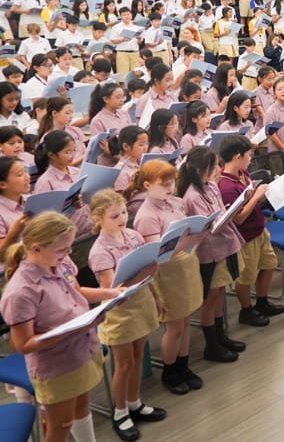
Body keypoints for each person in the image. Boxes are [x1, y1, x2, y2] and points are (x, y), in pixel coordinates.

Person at [1, 212, 123, 442]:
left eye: (69, 248)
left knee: (81, 408)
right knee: (61, 426)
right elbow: (24, 345)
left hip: (82, 350)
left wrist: (110, 294)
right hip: (56, 366)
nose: (68, 254)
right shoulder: (21, 291)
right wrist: (77, 327)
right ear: (36, 249)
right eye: (62, 249)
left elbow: (75, 290)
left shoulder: (60, 261)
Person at [87, 190, 167, 440]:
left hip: (141, 303)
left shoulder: (133, 235)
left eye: (123, 212)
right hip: (120, 313)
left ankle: (135, 403)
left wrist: (156, 296)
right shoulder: (99, 251)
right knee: (123, 365)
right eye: (114, 215)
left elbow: (148, 272)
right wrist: (144, 274)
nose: (122, 218)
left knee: (136, 356)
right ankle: (120, 412)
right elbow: (114, 291)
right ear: (99, 218)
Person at [128, 160, 204, 395]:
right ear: (147, 185)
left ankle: (183, 365)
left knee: (185, 321)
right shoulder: (146, 215)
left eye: (172, 182)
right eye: (164, 184)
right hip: (167, 274)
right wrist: (185, 241)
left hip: (185, 266)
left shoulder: (175, 203)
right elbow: (156, 256)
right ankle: (170, 370)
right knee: (174, 326)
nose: (170, 188)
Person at [177, 146, 246, 362]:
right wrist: (223, 218)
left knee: (220, 291)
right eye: (213, 166)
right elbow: (205, 226)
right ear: (200, 169)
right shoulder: (192, 196)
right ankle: (211, 345)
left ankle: (220, 335)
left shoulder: (211, 186)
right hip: (208, 250)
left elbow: (219, 213)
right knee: (210, 297)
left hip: (223, 244)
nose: (217, 169)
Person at [217, 134, 283, 325]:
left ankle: (262, 301)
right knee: (246, 276)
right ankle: (246, 310)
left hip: (259, 229)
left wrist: (261, 194)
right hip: (245, 237)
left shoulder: (242, 173)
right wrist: (255, 197)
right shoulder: (226, 185)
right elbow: (237, 218)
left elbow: (250, 199)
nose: (251, 158)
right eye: (248, 155)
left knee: (269, 264)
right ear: (237, 157)